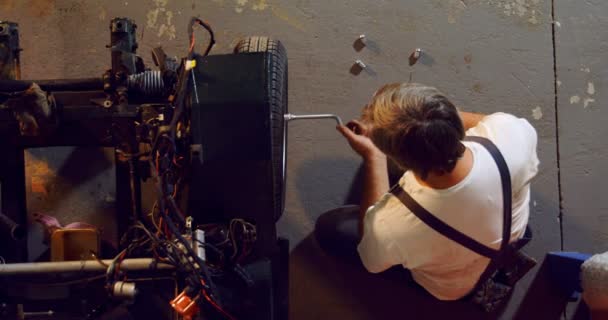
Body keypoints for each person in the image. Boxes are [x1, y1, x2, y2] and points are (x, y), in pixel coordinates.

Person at [315, 83, 539, 300]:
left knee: (331, 228)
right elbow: (475, 122)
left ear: (398, 157)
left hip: (454, 287)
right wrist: (422, 116)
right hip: (505, 231)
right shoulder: (511, 135)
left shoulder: (395, 226)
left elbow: (371, 260)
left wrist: (374, 156)